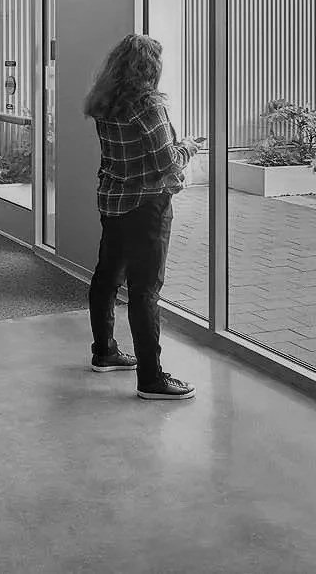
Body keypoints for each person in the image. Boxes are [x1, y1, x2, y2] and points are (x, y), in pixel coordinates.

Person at [83, 33, 201, 401]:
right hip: (146, 207)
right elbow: (166, 162)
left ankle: (104, 351)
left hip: (113, 202)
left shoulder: (104, 102)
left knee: (106, 278)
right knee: (145, 290)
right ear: (150, 69)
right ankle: (151, 378)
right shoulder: (148, 107)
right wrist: (189, 148)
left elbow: (115, 158)